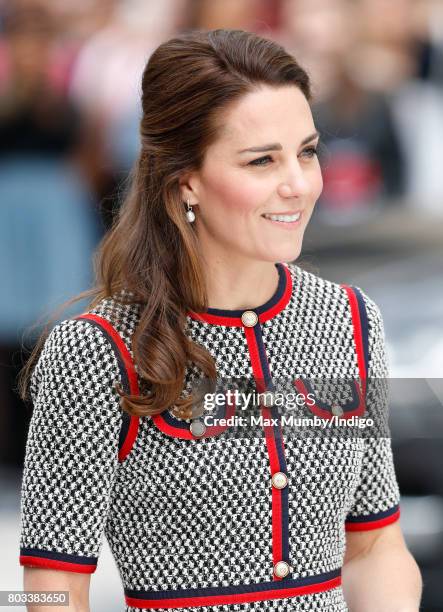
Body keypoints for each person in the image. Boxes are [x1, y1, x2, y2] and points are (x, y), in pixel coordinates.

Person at [17, 29, 422, 612]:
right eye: (262, 160)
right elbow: (52, 588)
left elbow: (374, 546)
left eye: (306, 151)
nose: (298, 185)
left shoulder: (350, 320)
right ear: (187, 182)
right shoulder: (97, 350)